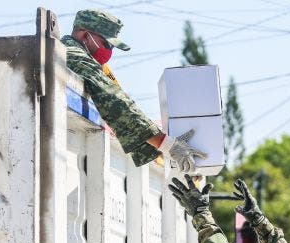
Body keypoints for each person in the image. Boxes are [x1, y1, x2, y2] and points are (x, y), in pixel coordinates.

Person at [64, 9, 205, 171]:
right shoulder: (72, 54)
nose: (109, 51)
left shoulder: (87, 61)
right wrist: (167, 145)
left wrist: (161, 143)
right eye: (107, 44)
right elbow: (114, 100)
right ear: (84, 35)